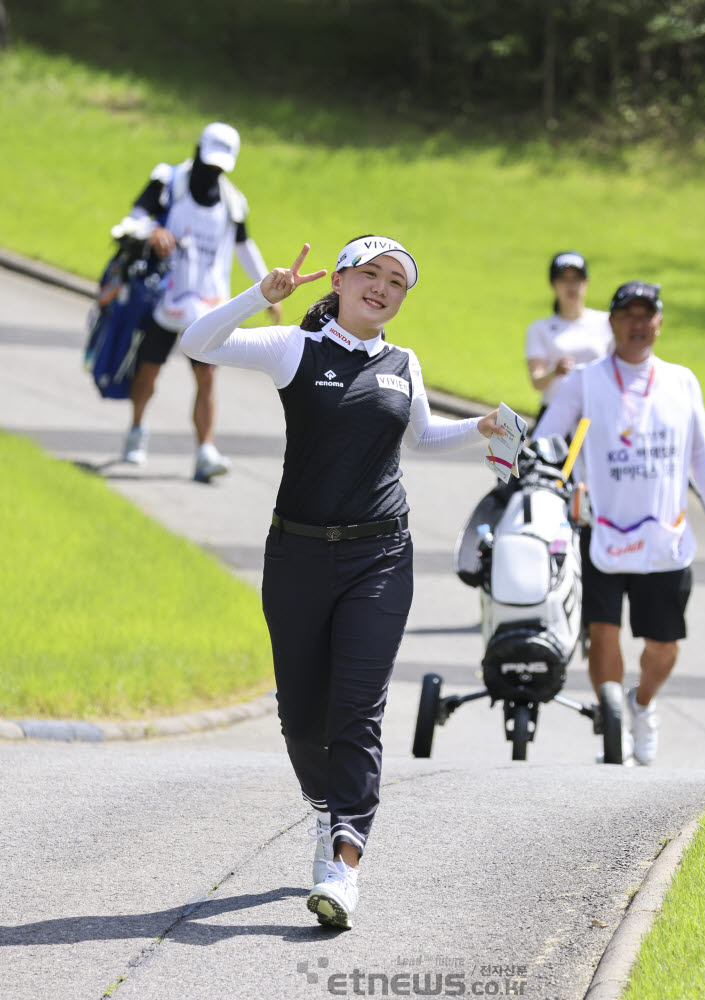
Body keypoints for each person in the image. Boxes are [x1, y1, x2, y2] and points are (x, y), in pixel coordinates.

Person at [181, 236, 505, 929]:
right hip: (296, 555)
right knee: (301, 717)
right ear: (344, 279)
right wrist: (258, 297)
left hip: (380, 557)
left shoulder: (404, 363)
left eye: (397, 283)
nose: (383, 289)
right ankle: (326, 809)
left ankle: (344, 865)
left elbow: (420, 439)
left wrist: (478, 428)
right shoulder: (295, 348)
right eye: (372, 274)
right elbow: (198, 340)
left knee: (357, 713)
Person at [533, 280, 705, 765]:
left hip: (664, 535)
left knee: (663, 646)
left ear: (659, 323)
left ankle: (641, 704)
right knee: (603, 632)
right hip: (601, 530)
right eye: (628, 315)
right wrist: (558, 484)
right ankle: (614, 723)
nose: (637, 324)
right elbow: (546, 440)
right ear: (612, 322)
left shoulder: (682, 380)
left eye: (647, 316)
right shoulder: (586, 380)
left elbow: (702, 456)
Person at [119, 122, 279, 481]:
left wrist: (266, 287)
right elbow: (133, 220)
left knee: (206, 377)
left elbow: (243, 247)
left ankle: (205, 451)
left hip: (207, 306)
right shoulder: (168, 181)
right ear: (198, 150)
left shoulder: (233, 200)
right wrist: (153, 231)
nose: (214, 170)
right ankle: (137, 428)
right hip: (166, 298)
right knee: (148, 371)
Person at [525, 250, 613, 423]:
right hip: (555, 413)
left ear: (586, 282)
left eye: (576, 279)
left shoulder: (607, 322)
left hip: (596, 413)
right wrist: (554, 372)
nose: (571, 286)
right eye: (564, 279)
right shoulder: (539, 328)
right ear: (553, 285)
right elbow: (537, 382)